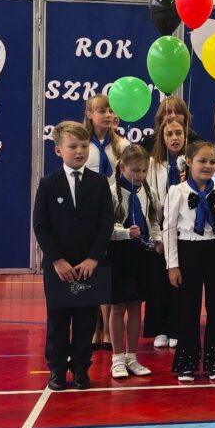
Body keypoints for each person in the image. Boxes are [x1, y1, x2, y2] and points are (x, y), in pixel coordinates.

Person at [33, 121, 114, 390]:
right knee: (57, 320)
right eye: (73, 146)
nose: (79, 151)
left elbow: (106, 222)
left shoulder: (99, 183)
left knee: (85, 320)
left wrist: (93, 258)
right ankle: (57, 370)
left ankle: (80, 368)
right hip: (59, 267)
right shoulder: (48, 184)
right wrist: (57, 260)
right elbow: (41, 225)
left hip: (89, 266)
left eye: (84, 146)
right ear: (58, 150)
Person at [163, 141, 215, 382]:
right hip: (188, 250)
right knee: (188, 308)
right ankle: (186, 363)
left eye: (212, 161)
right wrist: (172, 264)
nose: (208, 166)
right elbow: (169, 229)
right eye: (202, 161)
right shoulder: (177, 191)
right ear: (189, 162)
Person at [108, 144, 159, 379]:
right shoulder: (111, 192)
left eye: (144, 171)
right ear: (122, 166)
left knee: (136, 306)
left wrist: (157, 239)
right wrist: (125, 233)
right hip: (119, 254)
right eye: (135, 170)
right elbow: (106, 227)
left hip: (142, 255)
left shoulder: (149, 192)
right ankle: (117, 358)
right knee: (118, 307)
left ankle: (131, 356)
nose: (139, 175)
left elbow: (154, 222)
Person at [83, 95, 130, 351]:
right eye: (102, 111)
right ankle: (93, 326)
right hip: (88, 212)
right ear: (89, 114)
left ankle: (109, 328)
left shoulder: (122, 144)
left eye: (111, 110)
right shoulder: (82, 144)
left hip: (113, 211)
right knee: (92, 269)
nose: (108, 115)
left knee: (109, 270)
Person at [145, 118, 186, 348]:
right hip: (160, 226)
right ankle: (159, 328)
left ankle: (177, 327)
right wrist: (157, 235)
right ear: (162, 137)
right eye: (169, 134)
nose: (175, 138)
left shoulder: (189, 162)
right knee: (157, 281)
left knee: (179, 280)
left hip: (184, 227)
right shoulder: (153, 164)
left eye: (179, 133)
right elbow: (150, 201)